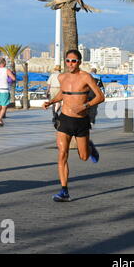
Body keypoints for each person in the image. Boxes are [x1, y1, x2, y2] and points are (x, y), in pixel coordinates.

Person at [42, 50, 105, 202]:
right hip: (64, 120)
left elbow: (100, 96)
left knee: (83, 157)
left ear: (79, 62)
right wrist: (51, 102)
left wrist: (86, 105)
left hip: (81, 121)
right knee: (62, 154)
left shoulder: (85, 77)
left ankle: (89, 147)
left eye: (74, 61)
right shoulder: (61, 77)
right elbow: (63, 94)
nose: (71, 63)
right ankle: (64, 191)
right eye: (68, 60)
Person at [0, 58, 15, 127]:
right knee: (4, 106)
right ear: (4, 63)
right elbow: (13, 78)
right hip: (4, 90)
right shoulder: (7, 70)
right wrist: (9, 78)